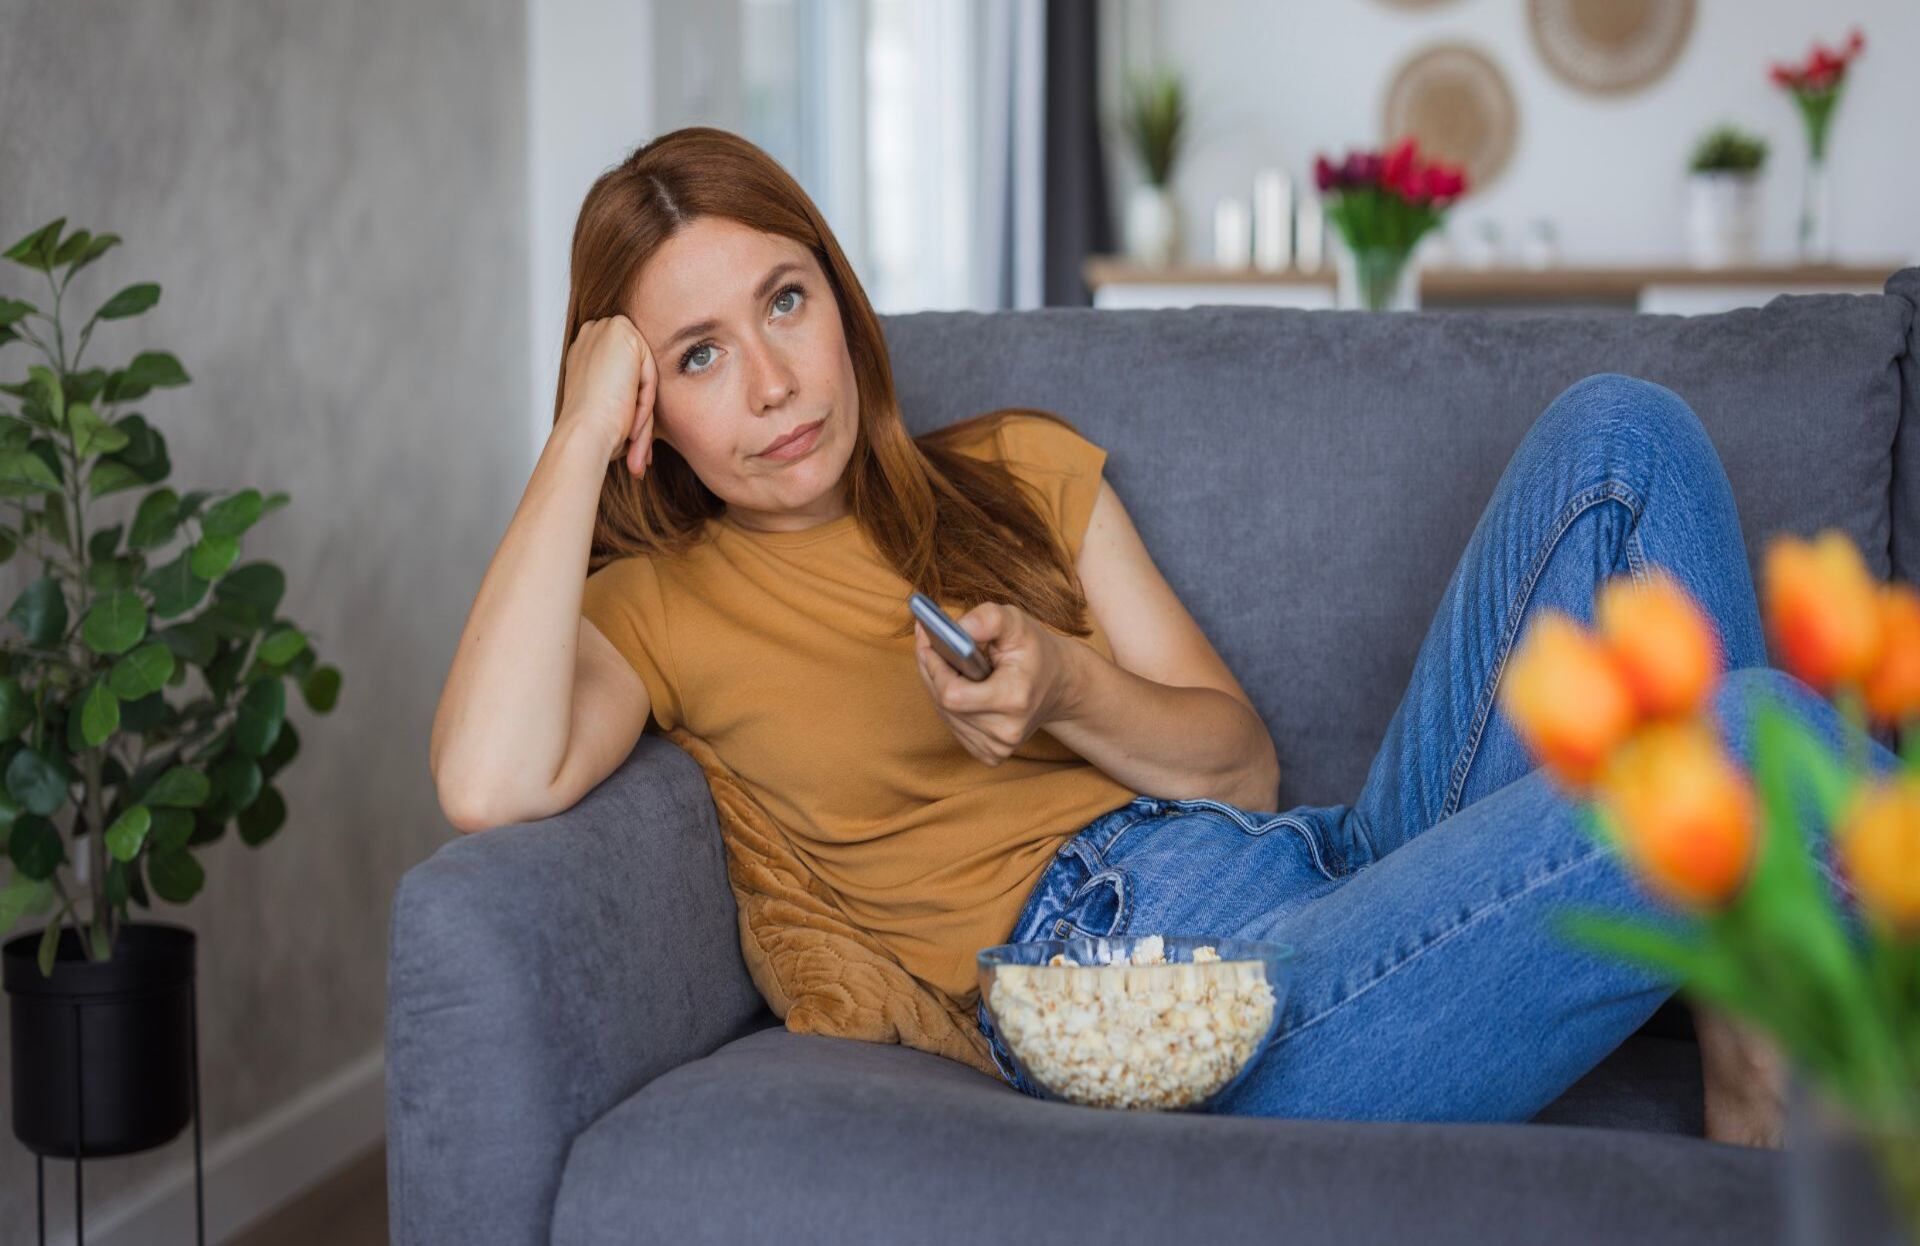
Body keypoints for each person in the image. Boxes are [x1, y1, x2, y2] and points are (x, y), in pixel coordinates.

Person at [428, 126, 1885, 1148]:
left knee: (1623, 434)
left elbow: (1242, 766)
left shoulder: (1016, 469)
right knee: (1759, 741)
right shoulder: (655, 608)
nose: (768, 383)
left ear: (835, 293)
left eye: (783, 302)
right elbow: (488, 783)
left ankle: (1748, 1027)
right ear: (650, 415)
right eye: (695, 357)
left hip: (1327, 872)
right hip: (1182, 1015)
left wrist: (1065, 683)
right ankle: (1773, 1049)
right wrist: (573, 428)